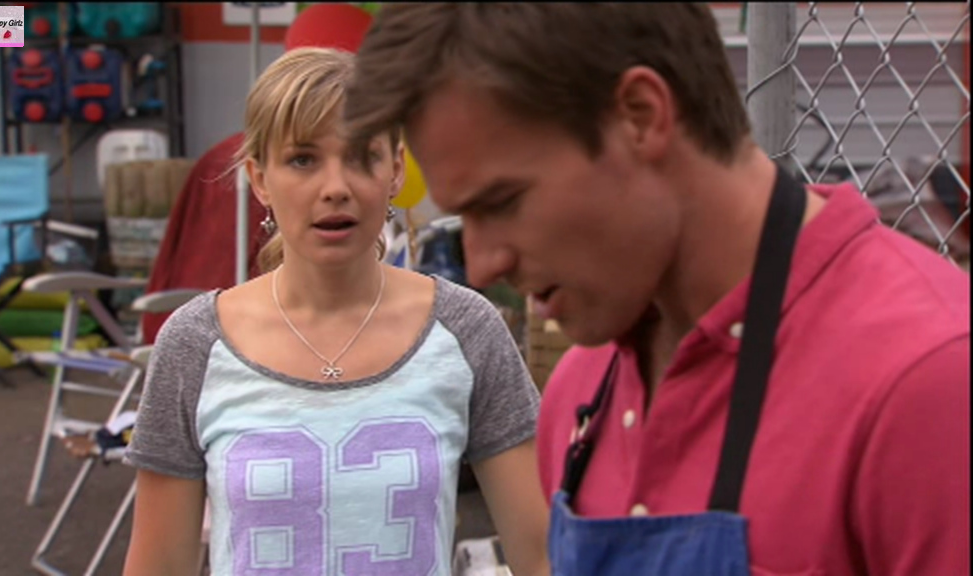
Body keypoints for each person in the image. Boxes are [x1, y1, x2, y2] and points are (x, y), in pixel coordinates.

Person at [342, 4, 971, 576]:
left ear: (641, 116)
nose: (481, 266)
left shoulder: (926, 385)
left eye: (502, 202)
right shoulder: (580, 393)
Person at [122, 47, 549, 576]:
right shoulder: (195, 344)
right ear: (260, 178)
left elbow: (542, 556)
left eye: (361, 156)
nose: (336, 188)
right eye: (303, 159)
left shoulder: (465, 331)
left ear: (395, 170)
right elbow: (158, 565)